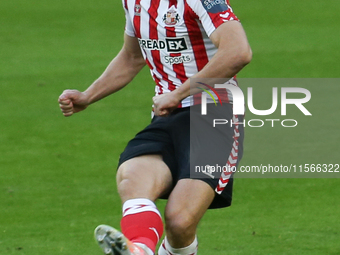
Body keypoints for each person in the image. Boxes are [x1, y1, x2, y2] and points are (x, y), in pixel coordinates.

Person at [59, 0, 251, 254]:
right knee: (133, 178)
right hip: (167, 117)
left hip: (215, 114)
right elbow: (132, 56)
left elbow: (238, 52)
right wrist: (88, 95)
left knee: (179, 222)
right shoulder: (134, 2)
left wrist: (179, 93)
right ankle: (138, 249)